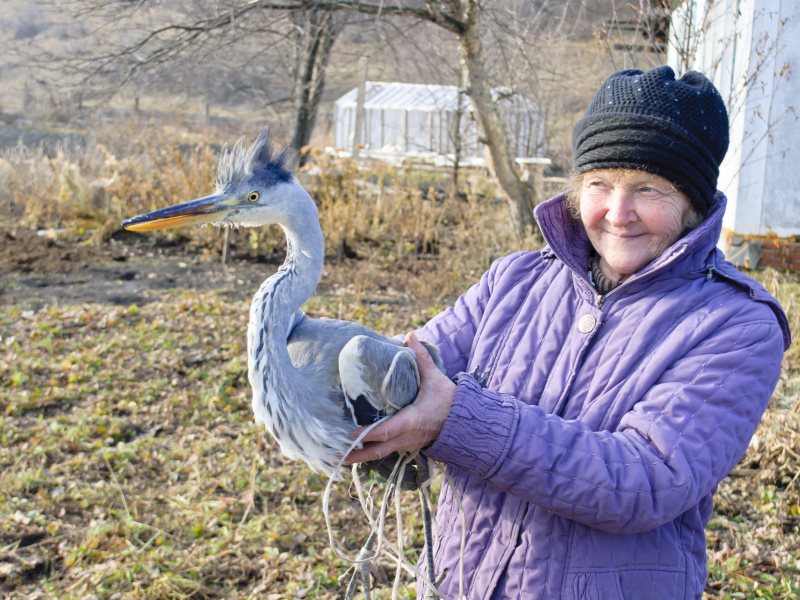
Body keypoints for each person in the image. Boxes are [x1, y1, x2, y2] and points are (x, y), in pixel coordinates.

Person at [347, 65, 791, 599]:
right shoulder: (515, 280)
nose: (618, 213)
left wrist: (455, 418)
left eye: (647, 188)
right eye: (600, 184)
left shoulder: (736, 324)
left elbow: (643, 479)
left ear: (692, 203)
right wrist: (345, 383)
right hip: (459, 583)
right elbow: (416, 367)